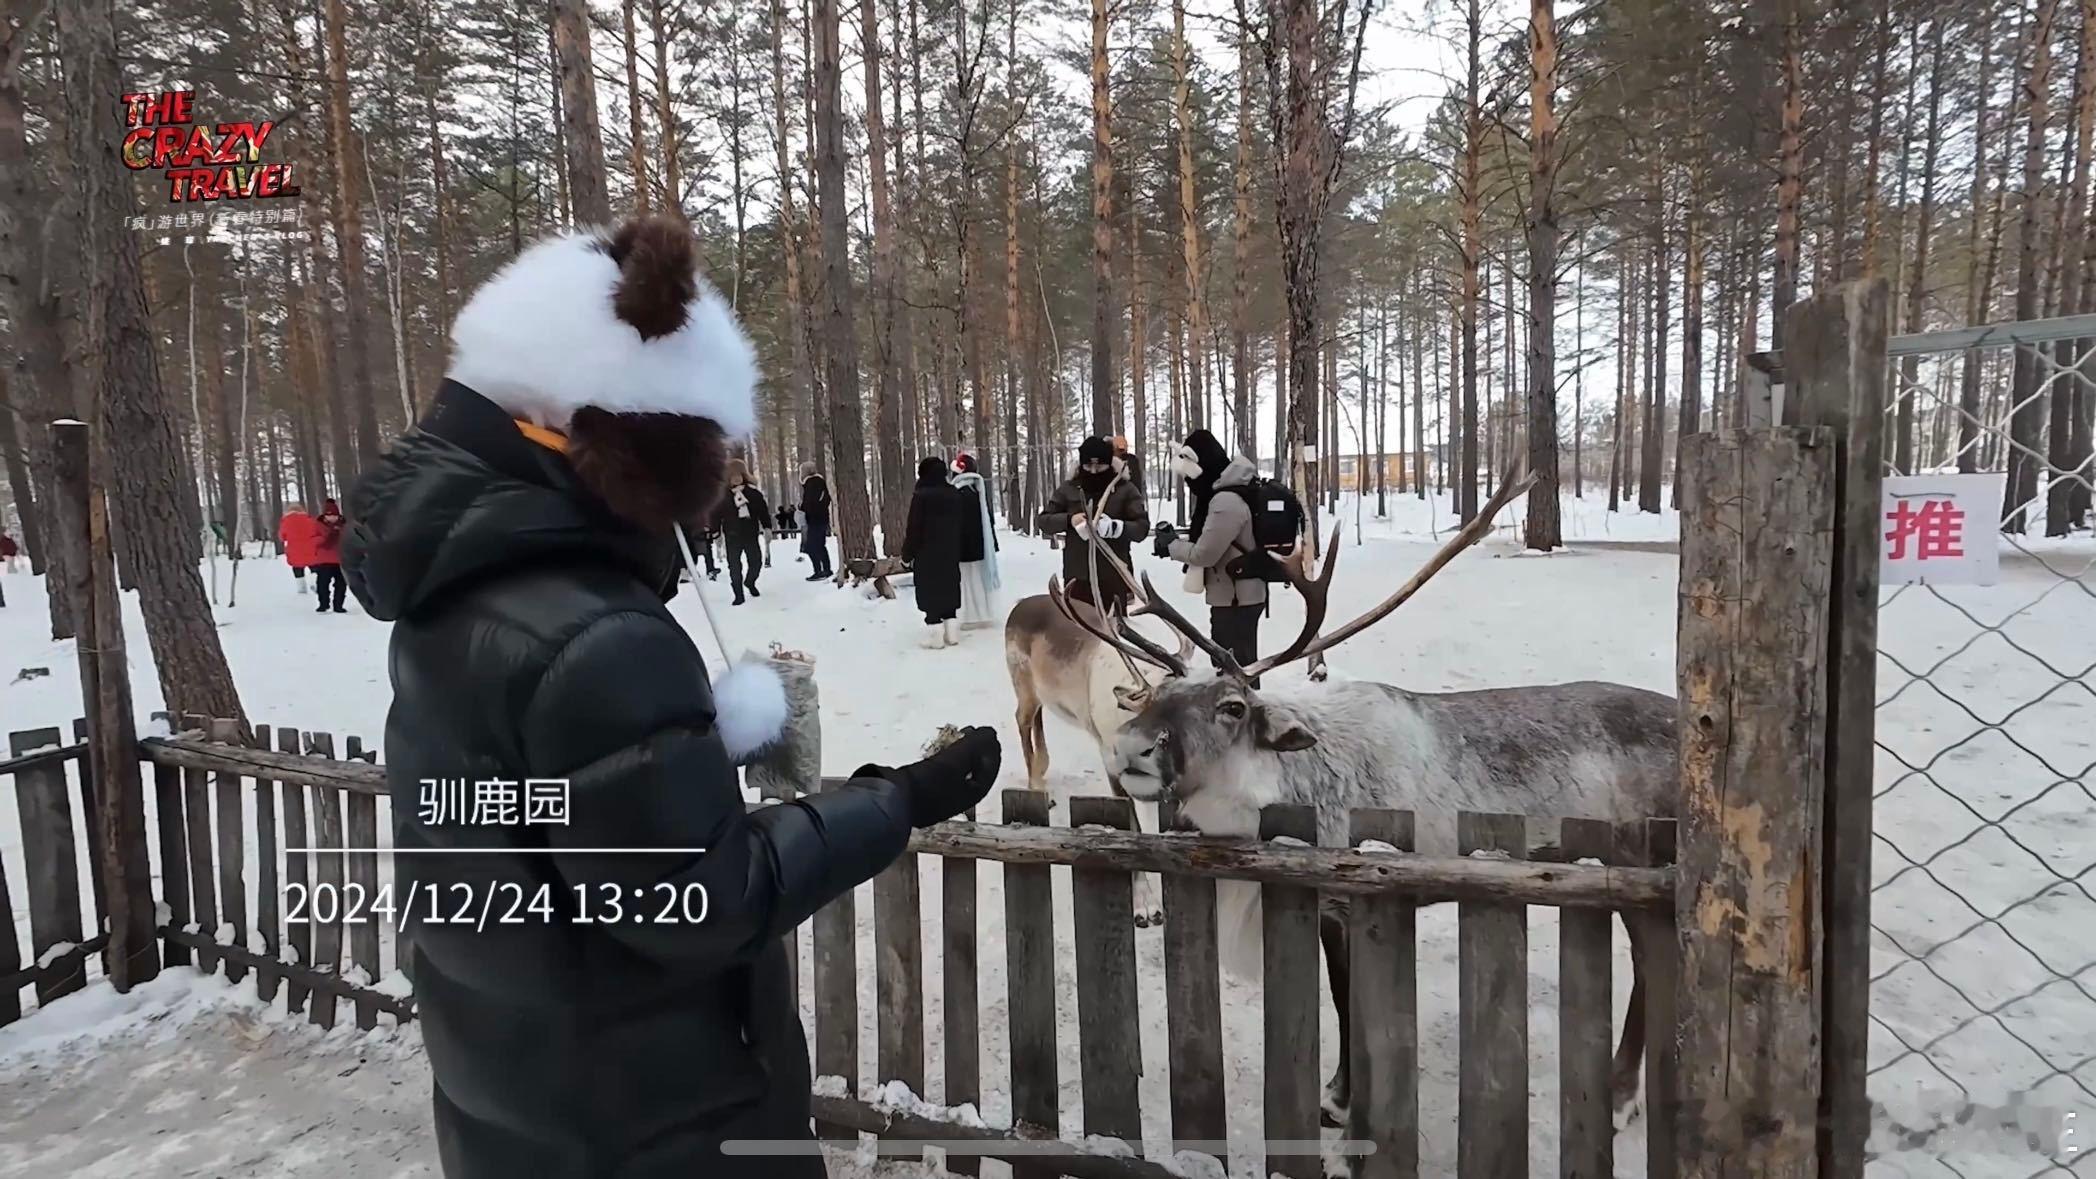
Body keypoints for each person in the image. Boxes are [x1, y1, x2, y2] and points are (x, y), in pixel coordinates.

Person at [338, 212, 1003, 1179]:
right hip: (661, 1120)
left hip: (520, 1097)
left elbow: (542, 811)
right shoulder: (602, 635)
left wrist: (680, 756)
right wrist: (893, 798)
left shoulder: (456, 596)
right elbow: (700, 899)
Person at [1157, 434, 1266, 674]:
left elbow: (1205, 554)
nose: (1189, 483)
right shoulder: (1223, 494)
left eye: (1190, 476)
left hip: (1237, 598)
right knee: (1233, 667)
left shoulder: (1226, 501)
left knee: (1236, 671)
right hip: (1234, 594)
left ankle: (1245, 710)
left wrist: (1171, 546)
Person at [1038, 436, 1149, 615]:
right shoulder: (1069, 489)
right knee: (1078, 631)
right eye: (1088, 466)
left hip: (1114, 574)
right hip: (1078, 575)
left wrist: (1116, 528)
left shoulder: (1125, 489)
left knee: (1112, 632)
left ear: (1110, 464)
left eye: (1100, 466)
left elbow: (1141, 528)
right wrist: (1069, 520)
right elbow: (1044, 521)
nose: (1094, 471)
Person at [903, 455, 967, 648]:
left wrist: (907, 554)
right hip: (950, 552)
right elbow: (962, 525)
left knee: (930, 593)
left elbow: (914, 528)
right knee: (949, 588)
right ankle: (952, 632)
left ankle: (935, 636)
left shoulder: (921, 496)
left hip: (927, 553)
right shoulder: (955, 494)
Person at [949, 453, 999, 629]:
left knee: (967, 581)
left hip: (963, 547)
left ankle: (970, 616)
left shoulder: (958, 493)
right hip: (980, 546)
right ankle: (982, 613)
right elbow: (989, 520)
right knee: (978, 579)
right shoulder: (978, 491)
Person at [712, 460, 770, 604]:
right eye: (733, 476)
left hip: (750, 533)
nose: (736, 478)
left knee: (756, 562)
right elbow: (715, 516)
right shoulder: (722, 497)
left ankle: (750, 582)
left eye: (739, 475)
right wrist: (716, 533)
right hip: (732, 535)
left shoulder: (753, 494)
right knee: (734, 565)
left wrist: (767, 527)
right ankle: (738, 594)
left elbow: (763, 512)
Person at [798, 460, 834, 580]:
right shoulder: (820, 482)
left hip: (814, 520)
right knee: (820, 545)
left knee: (812, 546)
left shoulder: (811, 483)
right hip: (822, 518)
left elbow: (810, 503)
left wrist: (802, 507)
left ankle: (819, 570)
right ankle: (826, 569)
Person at [312, 498, 347, 613]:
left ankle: (338, 605)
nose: (332, 518)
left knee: (341, 585)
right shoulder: (318, 525)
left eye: (334, 515)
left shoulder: (344, 525)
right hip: (324, 560)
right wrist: (327, 538)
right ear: (325, 516)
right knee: (322, 584)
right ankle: (323, 604)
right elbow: (313, 540)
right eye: (329, 515)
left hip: (340, 560)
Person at [278, 502, 322, 593]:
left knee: (297, 568)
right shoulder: (310, 520)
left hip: (294, 550)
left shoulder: (285, 522)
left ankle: (301, 588)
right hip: (311, 549)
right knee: (314, 567)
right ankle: (315, 583)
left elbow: (282, 537)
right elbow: (318, 532)